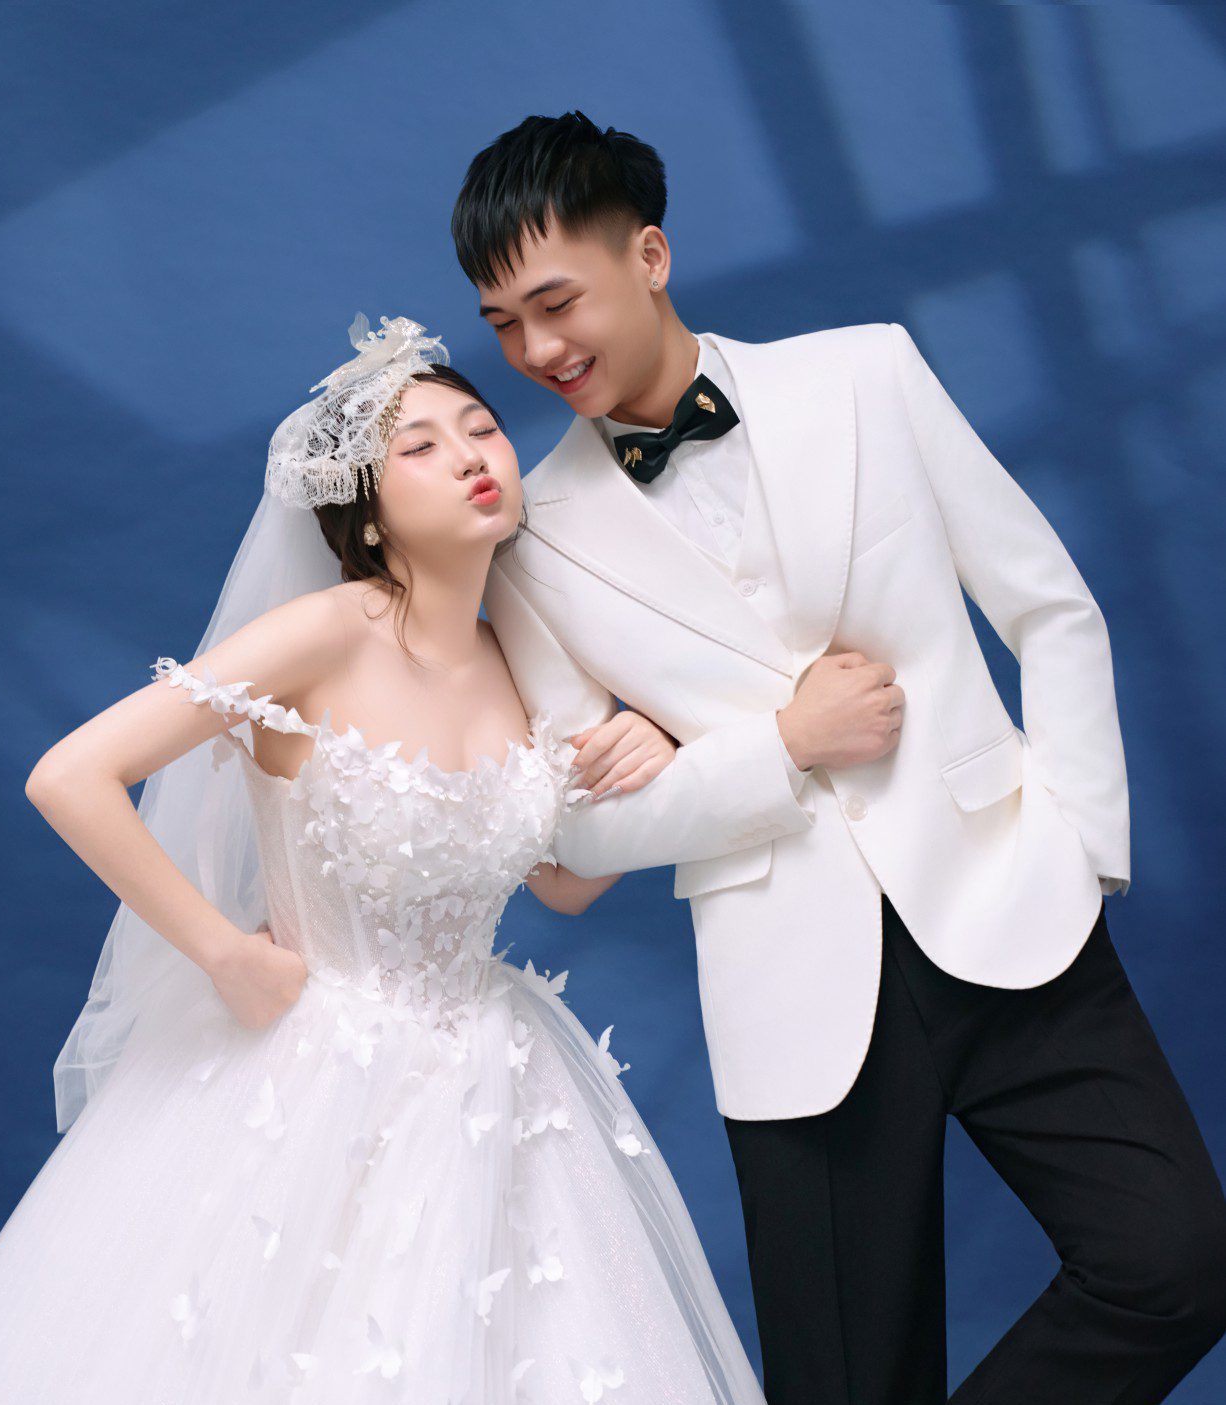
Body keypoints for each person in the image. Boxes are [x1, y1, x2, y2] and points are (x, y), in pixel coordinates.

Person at [456, 111, 1226, 1404]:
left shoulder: (868, 373)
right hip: (791, 985)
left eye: (554, 304)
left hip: (1008, 904)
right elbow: (576, 834)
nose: (536, 351)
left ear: (648, 255)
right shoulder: (534, 541)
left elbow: (1048, 607)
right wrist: (779, 747)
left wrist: (1080, 846)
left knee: (1177, 1264)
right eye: (501, 326)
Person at [0, 314, 799, 1402]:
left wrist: (662, 746)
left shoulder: (523, 656)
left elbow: (565, 882)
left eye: (482, 429)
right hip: (309, 1069)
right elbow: (70, 775)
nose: (470, 456)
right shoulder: (325, 631)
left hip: (494, 1079)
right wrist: (225, 954)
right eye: (421, 446)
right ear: (366, 506)